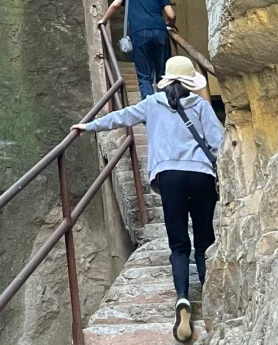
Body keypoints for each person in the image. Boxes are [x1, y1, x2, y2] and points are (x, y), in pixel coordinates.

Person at [73, 55, 224, 343]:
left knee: (179, 244)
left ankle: (182, 299)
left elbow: (121, 117)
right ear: (192, 81)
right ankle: (211, 298)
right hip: (201, 177)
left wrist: (88, 126)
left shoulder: (152, 104)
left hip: (169, 178)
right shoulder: (202, 106)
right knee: (204, 240)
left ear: (166, 79)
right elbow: (218, 144)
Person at [101, 0, 175, 100]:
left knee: (144, 75)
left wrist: (104, 20)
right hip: (160, 31)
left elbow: (115, 5)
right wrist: (170, 25)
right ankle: (165, 103)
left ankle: (149, 107)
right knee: (162, 74)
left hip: (139, 33)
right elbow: (171, 14)